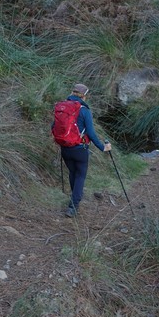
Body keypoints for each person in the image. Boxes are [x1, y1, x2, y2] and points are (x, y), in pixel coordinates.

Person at [55, 83, 111, 217]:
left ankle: (74, 199)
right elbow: (91, 133)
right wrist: (102, 147)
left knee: (73, 173)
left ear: (72, 92)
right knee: (80, 175)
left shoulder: (62, 108)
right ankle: (73, 207)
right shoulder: (84, 110)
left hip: (65, 148)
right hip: (80, 149)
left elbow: (54, 126)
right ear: (84, 96)